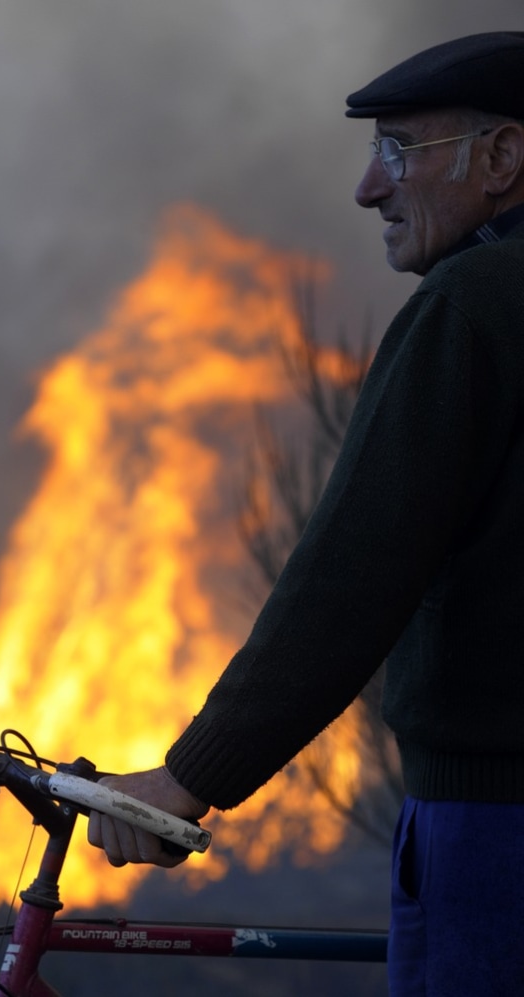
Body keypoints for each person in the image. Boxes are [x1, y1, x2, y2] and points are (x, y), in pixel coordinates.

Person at [87, 31, 524, 996]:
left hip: (494, 832)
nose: (370, 188)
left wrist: (190, 778)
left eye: (400, 150)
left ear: (503, 159)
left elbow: (350, 576)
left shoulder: (478, 304)